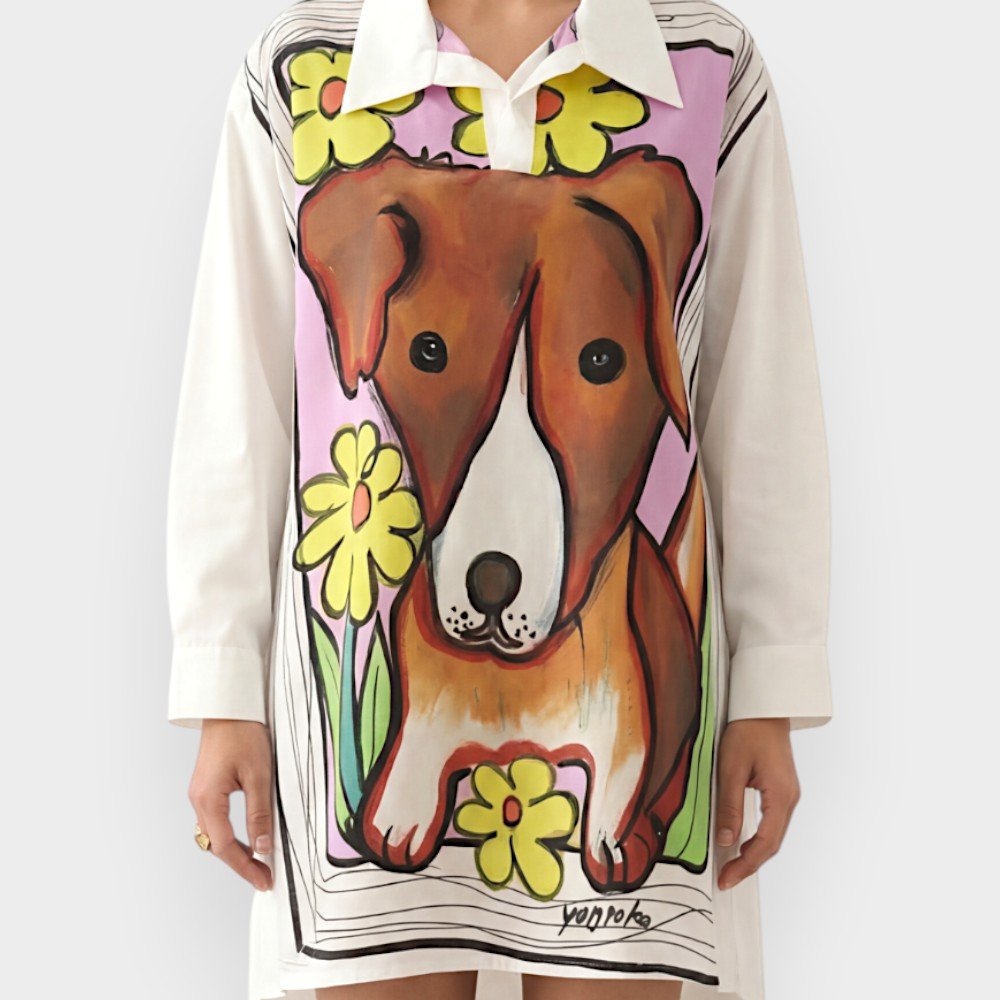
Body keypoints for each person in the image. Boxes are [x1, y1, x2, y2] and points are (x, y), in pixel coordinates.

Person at [166, 1, 833, 998]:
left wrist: (773, 682)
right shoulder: (303, 72)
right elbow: (242, 397)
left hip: (626, 681)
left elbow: (758, 387)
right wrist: (221, 685)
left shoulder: (706, 65)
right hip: (376, 684)